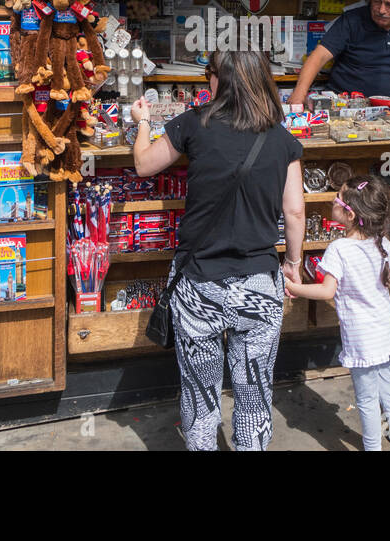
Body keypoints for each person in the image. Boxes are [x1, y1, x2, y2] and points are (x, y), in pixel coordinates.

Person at [129, 48, 305, 451]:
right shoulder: (282, 139)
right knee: (255, 392)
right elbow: (294, 212)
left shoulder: (195, 123)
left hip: (199, 283)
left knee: (199, 392)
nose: (205, 81)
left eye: (208, 74)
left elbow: (144, 165)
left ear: (219, 81)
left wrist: (142, 123)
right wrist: (293, 265)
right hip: (259, 283)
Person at [285, 175, 390, 451]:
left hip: (362, 341)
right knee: (388, 392)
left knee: (367, 401)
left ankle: (372, 448)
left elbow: (326, 292)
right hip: (386, 334)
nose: (334, 199)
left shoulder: (339, 249)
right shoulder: (383, 243)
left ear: (349, 213)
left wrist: (294, 287)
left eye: (337, 198)